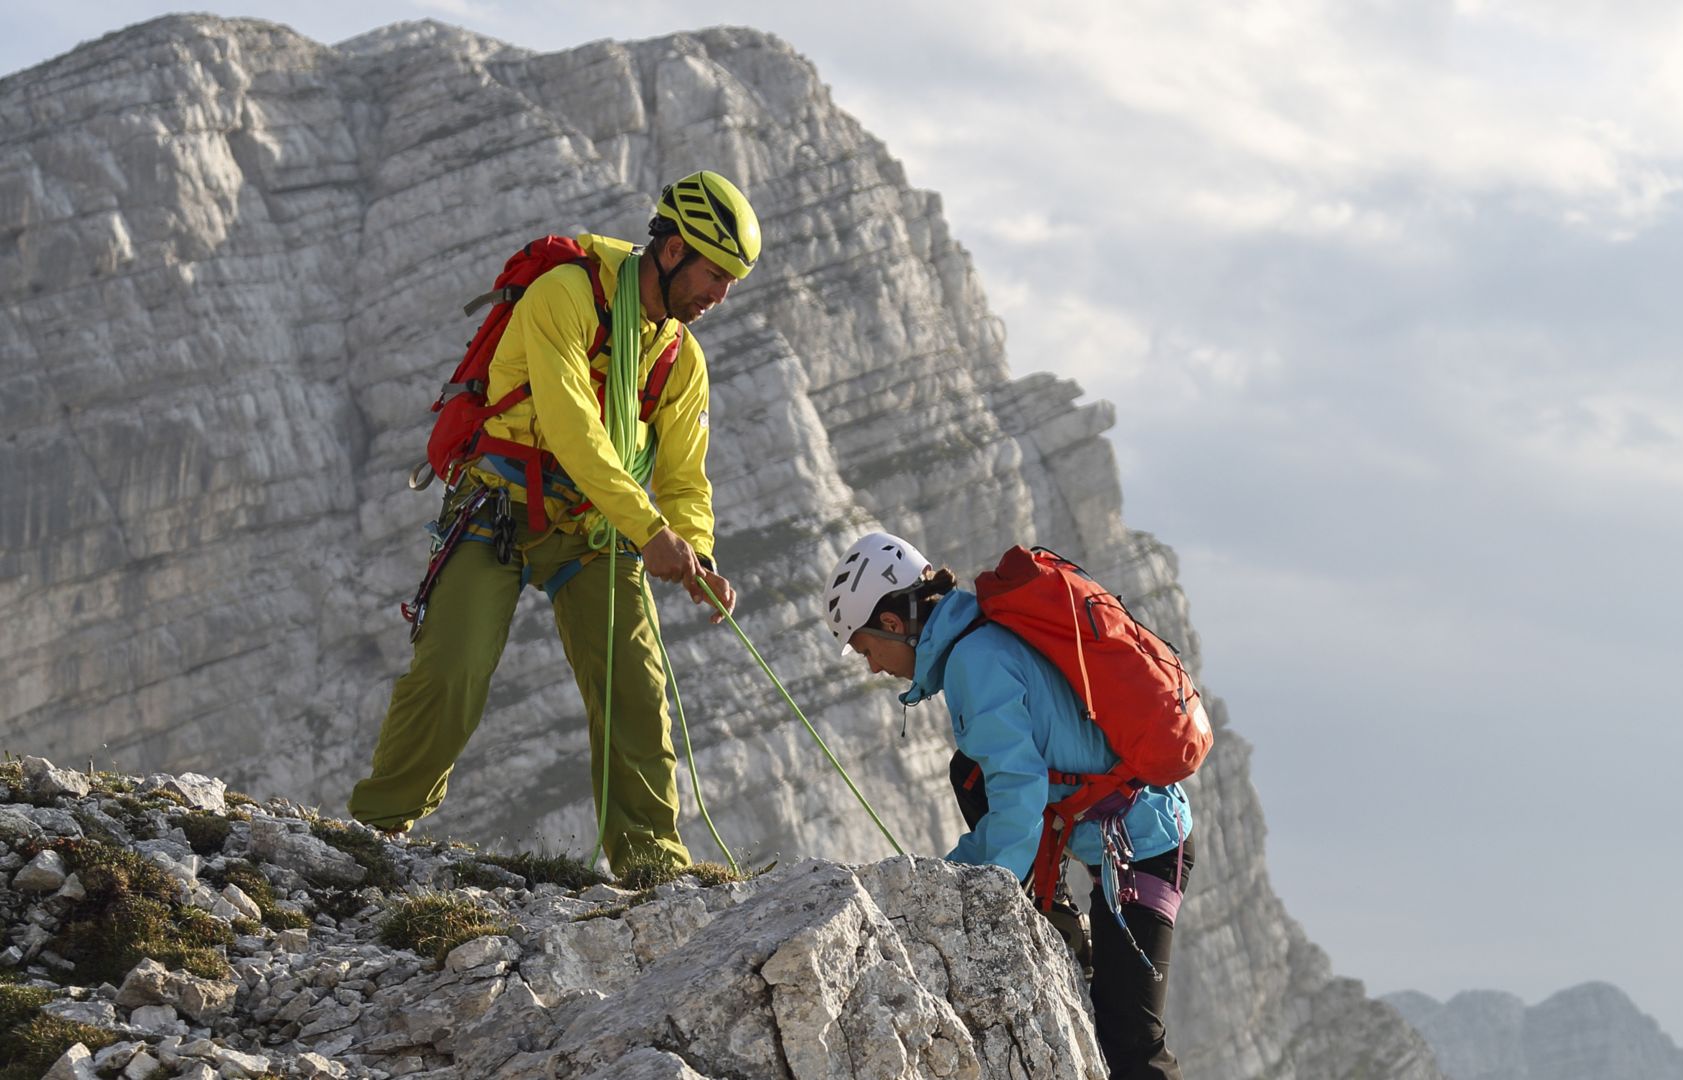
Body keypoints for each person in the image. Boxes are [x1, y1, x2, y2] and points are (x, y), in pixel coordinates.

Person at [349, 171, 759, 876]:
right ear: (671, 251)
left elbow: (687, 478)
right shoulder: (564, 295)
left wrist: (695, 549)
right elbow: (574, 430)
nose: (719, 297)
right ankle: (378, 831)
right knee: (452, 672)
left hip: (598, 531)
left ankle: (652, 864)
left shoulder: (681, 360)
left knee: (637, 691)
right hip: (500, 508)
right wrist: (649, 532)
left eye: (729, 284)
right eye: (714, 275)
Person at [823, 531, 1195, 1080]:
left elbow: (1020, 796)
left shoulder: (976, 662)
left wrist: (966, 892)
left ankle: (1052, 909)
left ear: (895, 625)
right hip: (1127, 824)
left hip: (1145, 846)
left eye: (865, 648)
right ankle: (1057, 911)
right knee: (967, 770)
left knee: (1130, 1042)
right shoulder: (981, 636)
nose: (874, 666)